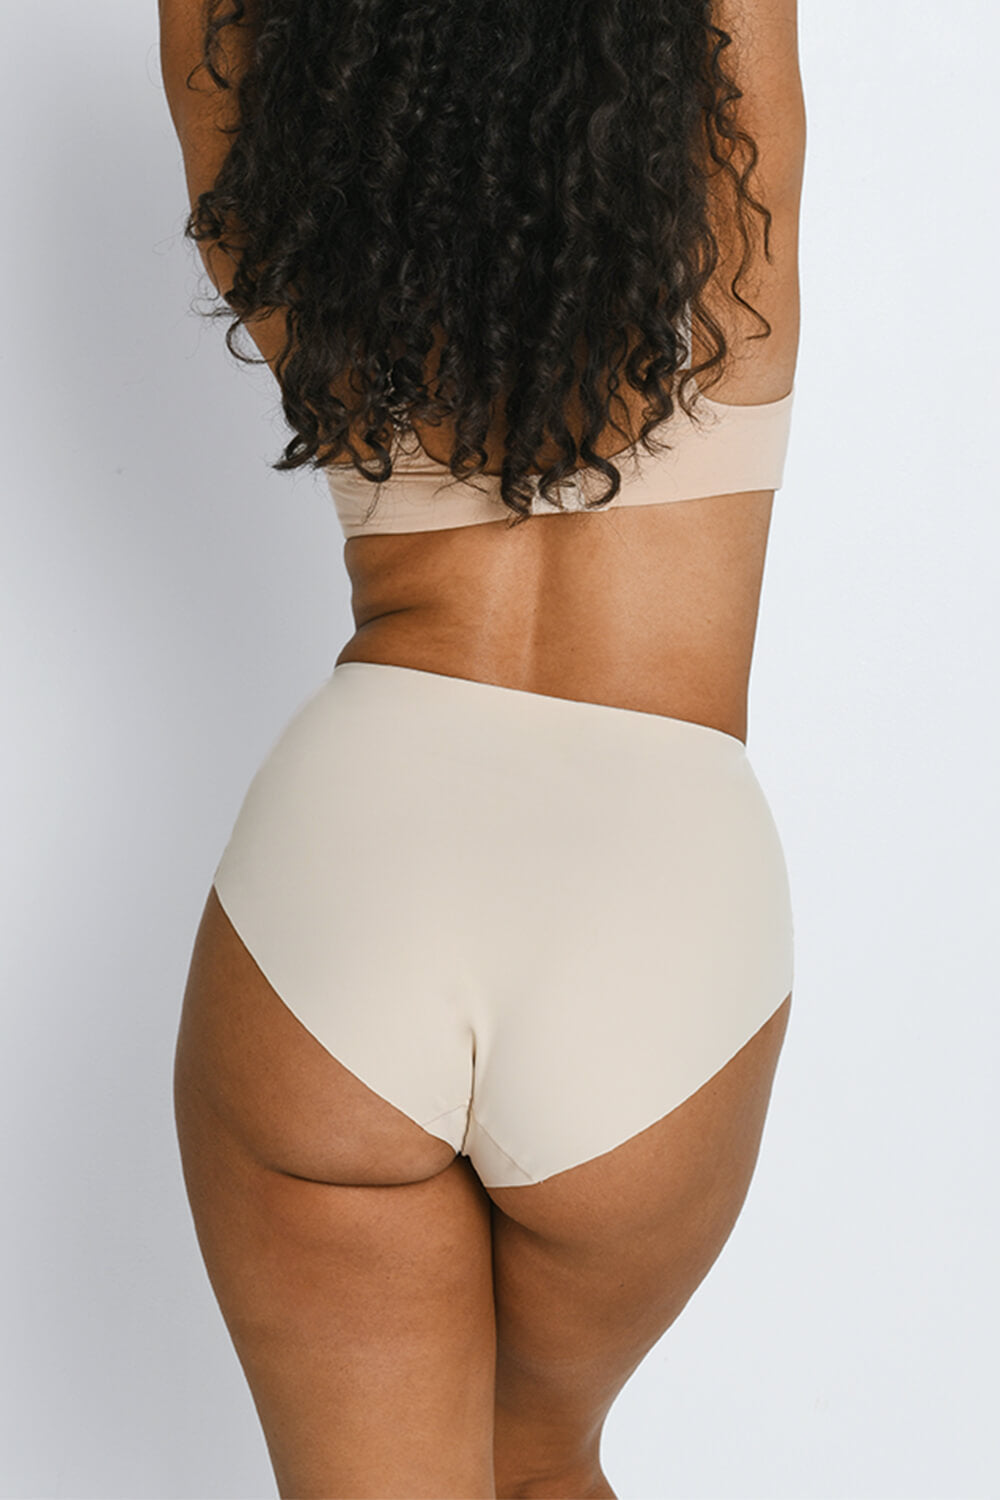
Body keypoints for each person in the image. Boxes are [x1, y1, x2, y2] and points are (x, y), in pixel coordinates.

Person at [159, 1, 806, 1495]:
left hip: (351, 879)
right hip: (658, 901)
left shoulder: (296, 188)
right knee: (543, 1468)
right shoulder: (733, 244)